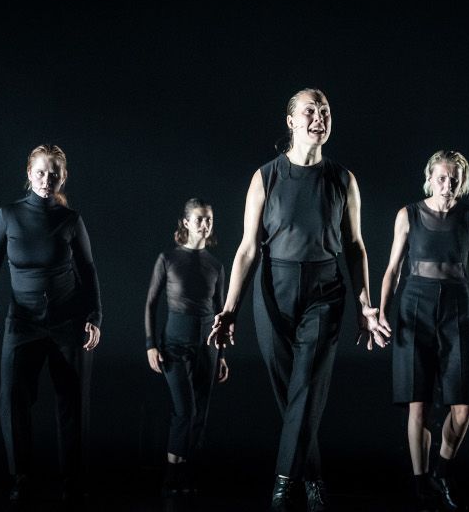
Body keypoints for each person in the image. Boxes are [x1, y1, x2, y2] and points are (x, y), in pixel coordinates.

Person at [208, 88, 391, 512]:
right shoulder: (266, 177)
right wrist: (230, 309)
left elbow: (356, 246)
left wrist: (366, 304)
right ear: (290, 120)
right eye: (310, 110)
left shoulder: (343, 179)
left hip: (325, 291)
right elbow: (247, 249)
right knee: (289, 394)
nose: (319, 117)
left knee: (307, 386)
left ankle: (283, 484)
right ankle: (312, 478)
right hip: (273, 289)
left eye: (325, 111)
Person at [0, 144, 102, 504]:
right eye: (40, 172)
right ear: (29, 173)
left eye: (54, 174)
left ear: (62, 177)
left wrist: (95, 317)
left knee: (72, 403)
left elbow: (88, 270)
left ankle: (72, 481)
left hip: (67, 320)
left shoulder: (70, 220)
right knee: (13, 399)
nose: (47, 179)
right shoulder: (8, 215)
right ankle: (21, 476)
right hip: (23, 322)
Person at [378, 150, 469, 511]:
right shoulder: (408, 214)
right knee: (419, 405)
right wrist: (380, 312)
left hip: (458, 308)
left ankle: (441, 473)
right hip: (415, 306)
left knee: (462, 408)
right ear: (430, 178)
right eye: (442, 178)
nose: (448, 185)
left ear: (463, 182)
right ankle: (420, 486)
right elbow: (393, 269)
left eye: (454, 179)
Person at [144, 198, 228, 496]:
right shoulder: (168, 259)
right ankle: (172, 474)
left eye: (210, 219)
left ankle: (188, 474)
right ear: (186, 223)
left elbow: (222, 313)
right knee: (186, 411)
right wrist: (151, 344)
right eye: (201, 219)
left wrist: (222, 356)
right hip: (174, 345)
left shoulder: (216, 265)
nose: (206, 224)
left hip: (208, 347)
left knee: (200, 414)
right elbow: (151, 304)